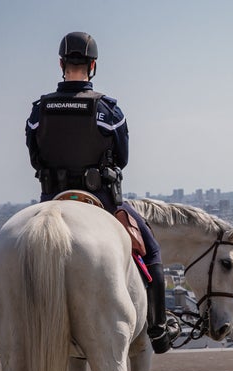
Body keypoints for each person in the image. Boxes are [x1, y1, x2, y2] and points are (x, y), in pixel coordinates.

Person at [25, 31, 178, 354]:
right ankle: (159, 329)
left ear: (61, 63)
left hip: (50, 201)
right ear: (93, 66)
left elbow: (34, 158)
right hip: (102, 203)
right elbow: (122, 158)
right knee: (151, 253)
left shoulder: (39, 112)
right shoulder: (108, 111)